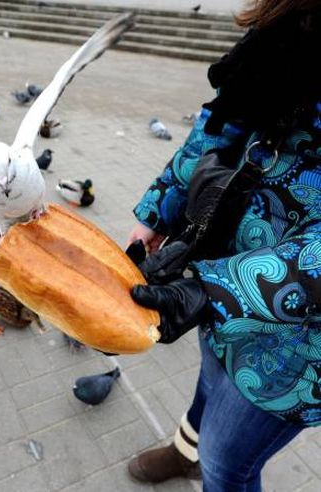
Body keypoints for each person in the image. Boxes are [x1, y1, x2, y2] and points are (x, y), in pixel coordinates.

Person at [125, 1, 321, 489]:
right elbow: (224, 123)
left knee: (227, 461)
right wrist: (159, 209)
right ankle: (184, 449)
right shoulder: (288, 20)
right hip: (219, 269)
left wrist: (215, 292)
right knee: (212, 375)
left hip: (299, 342)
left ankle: (204, 459)